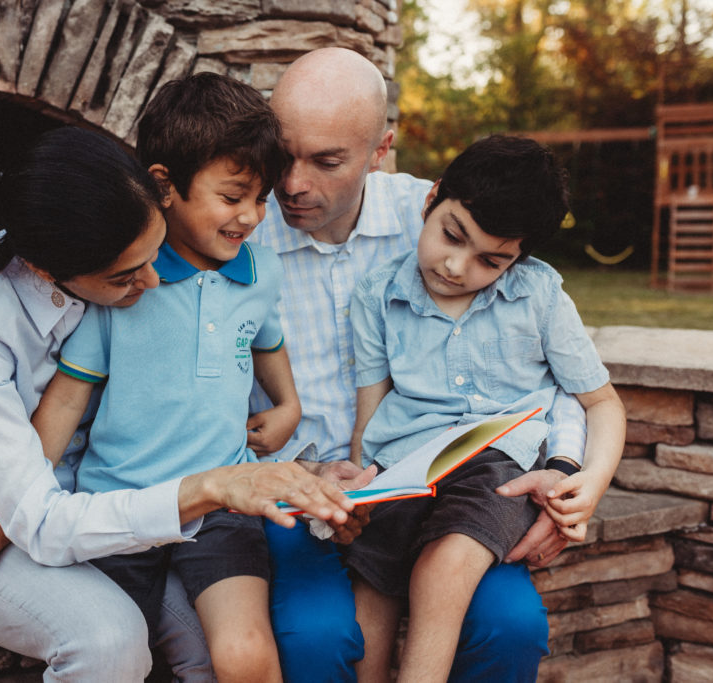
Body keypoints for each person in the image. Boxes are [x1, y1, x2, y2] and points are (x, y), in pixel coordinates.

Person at [0, 125, 357, 683]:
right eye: (126, 275)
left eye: (154, 255)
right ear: (51, 273)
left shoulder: (119, 247)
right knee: (110, 643)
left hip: (109, 504)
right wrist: (209, 487)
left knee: (222, 655)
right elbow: (39, 520)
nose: (152, 280)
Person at [248, 47, 591, 682]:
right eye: (281, 153)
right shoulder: (239, 233)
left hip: (441, 490)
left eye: (327, 161)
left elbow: (556, 378)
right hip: (296, 498)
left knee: (510, 628)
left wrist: (570, 479)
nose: (292, 184)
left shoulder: (448, 225)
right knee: (320, 638)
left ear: (382, 149)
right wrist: (295, 474)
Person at [29, 72, 295, 682]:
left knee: (245, 652)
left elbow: (268, 341)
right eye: (233, 197)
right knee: (130, 653)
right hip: (117, 503)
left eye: (262, 198)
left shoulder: (261, 274)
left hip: (224, 503)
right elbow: (68, 398)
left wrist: (288, 406)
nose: (252, 216)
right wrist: (22, 497)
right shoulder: (122, 283)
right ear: (164, 185)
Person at [342, 135, 626, 682]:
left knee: (445, 565)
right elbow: (371, 408)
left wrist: (590, 482)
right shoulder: (377, 295)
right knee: (369, 582)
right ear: (432, 201)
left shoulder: (538, 296)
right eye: (452, 235)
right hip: (405, 467)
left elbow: (602, 402)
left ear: (518, 258)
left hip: (499, 464)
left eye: (490, 260)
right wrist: (361, 482)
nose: (456, 266)